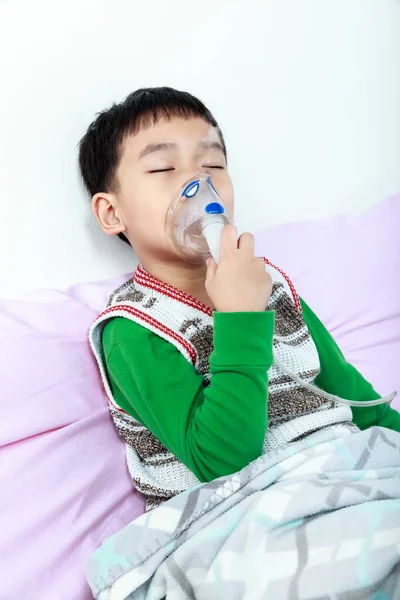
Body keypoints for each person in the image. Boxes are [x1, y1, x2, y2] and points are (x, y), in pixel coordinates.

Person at [79, 87, 400, 511]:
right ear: (111, 213)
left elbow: (361, 407)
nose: (199, 183)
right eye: (163, 167)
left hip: (345, 478)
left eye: (213, 163)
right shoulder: (134, 329)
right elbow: (222, 460)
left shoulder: (269, 285)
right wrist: (240, 316)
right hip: (240, 517)